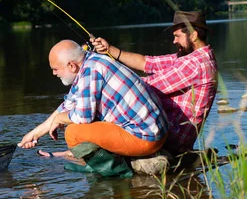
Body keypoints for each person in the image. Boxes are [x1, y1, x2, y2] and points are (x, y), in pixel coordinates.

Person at [38, 11, 217, 158]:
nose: (174, 41)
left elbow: (146, 86)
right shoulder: (188, 57)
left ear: (193, 35)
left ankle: (77, 154)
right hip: (160, 125)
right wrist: (111, 51)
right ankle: (75, 152)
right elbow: (148, 63)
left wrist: (106, 79)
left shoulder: (196, 64)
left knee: (94, 113)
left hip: (173, 136)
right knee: (105, 103)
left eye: (177, 36)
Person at [18, 40, 169, 176]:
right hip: (153, 131)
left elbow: (82, 117)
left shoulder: (90, 72)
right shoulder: (90, 62)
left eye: (56, 69)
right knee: (76, 122)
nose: (53, 73)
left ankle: (119, 171)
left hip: (145, 137)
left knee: (73, 132)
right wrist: (35, 133)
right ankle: (115, 161)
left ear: (71, 65)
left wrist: (60, 119)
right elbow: (67, 106)